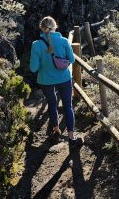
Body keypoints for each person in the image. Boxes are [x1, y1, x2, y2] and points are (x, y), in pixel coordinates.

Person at [30, 16, 83, 147]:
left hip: (45, 80)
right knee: (68, 106)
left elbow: (33, 68)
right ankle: (71, 137)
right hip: (64, 78)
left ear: (41, 28)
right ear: (55, 26)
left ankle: (56, 130)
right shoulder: (64, 41)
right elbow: (71, 60)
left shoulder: (36, 45)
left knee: (52, 104)